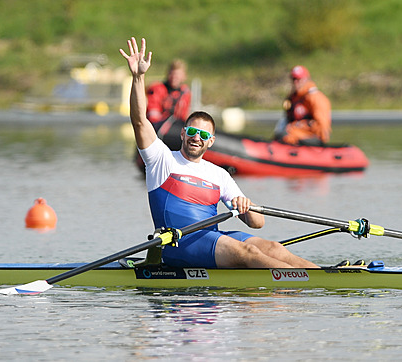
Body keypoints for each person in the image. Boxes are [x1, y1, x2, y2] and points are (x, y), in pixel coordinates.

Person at [120, 37, 318, 269]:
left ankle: (325, 277)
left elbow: (257, 223)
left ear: (211, 141)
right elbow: (140, 122)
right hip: (179, 244)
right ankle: (308, 286)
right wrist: (138, 77)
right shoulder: (161, 160)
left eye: (204, 135)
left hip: (211, 240)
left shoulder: (219, 175)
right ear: (183, 134)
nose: (197, 138)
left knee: (274, 248)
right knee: (247, 251)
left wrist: (247, 206)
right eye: (192, 131)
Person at [274, 65, 332, 146]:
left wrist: (296, 128)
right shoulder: (292, 98)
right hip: (292, 136)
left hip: (310, 137)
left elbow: (321, 126)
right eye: (293, 79)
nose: (296, 82)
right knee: (281, 135)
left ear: (306, 79)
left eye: (298, 79)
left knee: (286, 135)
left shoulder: (316, 98)